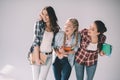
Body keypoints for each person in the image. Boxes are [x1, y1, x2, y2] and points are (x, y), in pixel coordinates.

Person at [28, 6, 60, 80]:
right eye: (43, 14)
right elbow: (36, 41)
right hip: (37, 54)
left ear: (51, 15)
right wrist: (37, 58)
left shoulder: (55, 28)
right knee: (36, 79)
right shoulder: (39, 24)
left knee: (42, 78)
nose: (45, 17)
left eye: (47, 15)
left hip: (49, 56)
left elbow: (55, 44)